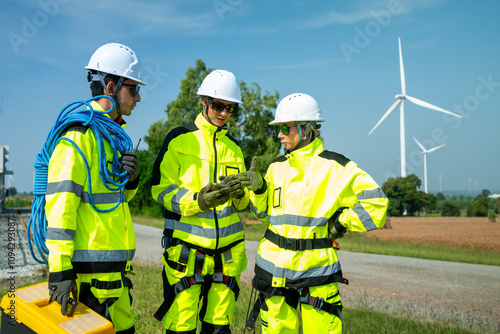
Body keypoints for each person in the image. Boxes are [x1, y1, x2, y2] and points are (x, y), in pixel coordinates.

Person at [239, 93, 389, 334]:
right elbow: (262, 213)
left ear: (307, 128)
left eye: (285, 129)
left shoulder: (337, 167)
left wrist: (341, 223)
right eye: (278, 129)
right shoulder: (276, 167)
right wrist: (259, 189)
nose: (279, 135)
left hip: (317, 274)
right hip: (273, 271)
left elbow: (377, 202)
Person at [45, 43, 145, 334]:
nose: (138, 98)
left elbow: (116, 202)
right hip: (89, 284)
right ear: (111, 87)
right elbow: (61, 208)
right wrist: (61, 270)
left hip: (116, 280)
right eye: (133, 89)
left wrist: (133, 181)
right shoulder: (76, 138)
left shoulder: (114, 137)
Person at [151, 69, 249, 333]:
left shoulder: (235, 149)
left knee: (218, 329)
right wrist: (197, 201)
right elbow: (159, 190)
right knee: (181, 327)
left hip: (226, 259)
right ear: (203, 101)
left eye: (231, 109)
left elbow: (241, 207)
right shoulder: (179, 139)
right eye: (218, 106)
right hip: (186, 256)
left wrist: (242, 195)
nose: (224, 114)